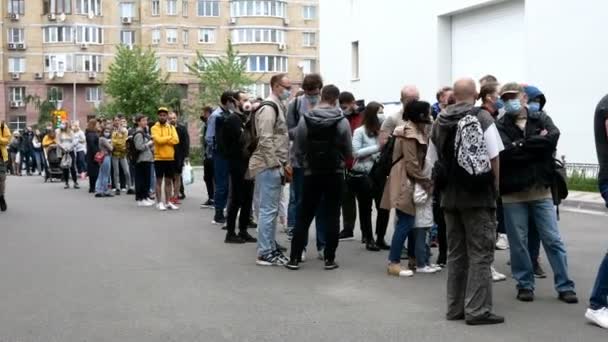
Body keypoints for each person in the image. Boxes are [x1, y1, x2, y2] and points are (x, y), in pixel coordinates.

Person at [430, 78, 504, 325]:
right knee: (481, 253)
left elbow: (433, 161)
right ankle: (477, 310)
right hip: (477, 197)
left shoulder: (439, 121)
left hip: (449, 198)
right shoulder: (482, 118)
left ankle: (454, 308)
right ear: (476, 94)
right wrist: (493, 190)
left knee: (456, 254)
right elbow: (494, 157)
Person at [496, 82, 577, 304]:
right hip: (513, 193)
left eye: (513, 96)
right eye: (505, 98)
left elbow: (552, 139)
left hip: (541, 190)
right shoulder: (499, 124)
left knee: (553, 240)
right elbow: (504, 153)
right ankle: (525, 285)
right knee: (519, 243)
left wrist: (520, 145)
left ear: (523, 97)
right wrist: (533, 145)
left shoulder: (541, 118)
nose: (510, 101)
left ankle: (565, 285)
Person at [286, 84, 352, 270]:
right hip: (334, 173)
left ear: (322, 96)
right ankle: (329, 258)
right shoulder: (342, 120)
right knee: (332, 215)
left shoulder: (306, 119)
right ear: (335, 99)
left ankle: (294, 258)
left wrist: (303, 163)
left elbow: (297, 147)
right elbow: (348, 150)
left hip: (311, 173)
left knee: (304, 215)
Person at [382, 100, 433, 278]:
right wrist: (425, 181)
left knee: (410, 222)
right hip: (406, 179)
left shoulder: (415, 130)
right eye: (427, 112)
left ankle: (412, 258)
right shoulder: (409, 133)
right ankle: (394, 262)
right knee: (405, 221)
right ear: (420, 115)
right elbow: (411, 163)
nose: (430, 115)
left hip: (408, 178)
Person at [248, 74, 291, 266]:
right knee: (268, 210)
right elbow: (265, 140)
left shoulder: (278, 106)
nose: (289, 90)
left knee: (271, 210)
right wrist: (276, 164)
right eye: (286, 86)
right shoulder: (268, 107)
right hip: (268, 165)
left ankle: (269, 247)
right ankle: (264, 252)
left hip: (273, 164)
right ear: (275, 86)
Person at [286, 73, 327, 257]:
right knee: (302, 203)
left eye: (315, 91)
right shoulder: (295, 104)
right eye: (309, 91)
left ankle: (322, 245)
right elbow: (288, 130)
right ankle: (300, 246)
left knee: (322, 205)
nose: (312, 94)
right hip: (301, 160)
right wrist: (305, 130)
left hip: (322, 161)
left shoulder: (327, 103)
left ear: (320, 88)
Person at [478, 81, 509, 282]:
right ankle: (486, 268)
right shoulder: (485, 117)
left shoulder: (488, 116)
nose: (501, 100)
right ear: (489, 96)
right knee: (486, 228)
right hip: (486, 180)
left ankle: (484, 267)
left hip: (479, 180)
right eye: (498, 95)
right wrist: (495, 184)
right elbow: (494, 154)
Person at [350, 102, 390, 251]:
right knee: (365, 207)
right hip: (364, 172)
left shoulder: (384, 132)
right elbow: (355, 152)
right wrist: (378, 148)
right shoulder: (360, 131)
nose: (382, 116)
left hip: (380, 172)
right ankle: (368, 238)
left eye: (383, 112)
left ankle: (380, 237)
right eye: (379, 112)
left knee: (384, 206)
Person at [219, 91, 258, 244]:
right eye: (243, 100)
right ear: (235, 101)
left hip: (248, 162)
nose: (246, 102)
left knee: (248, 198)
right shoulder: (232, 119)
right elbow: (241, 141)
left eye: (248, 99)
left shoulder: (245, 118)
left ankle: (243, 230)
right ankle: (230, 233)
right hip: (237, 163)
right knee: (237, 198)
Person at [337, 91, 362, 241]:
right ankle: (348, 228)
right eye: (342, 107)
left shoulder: (363, 115)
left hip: (362, 162)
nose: (344, 109)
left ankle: (367, 233)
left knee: (364, 200)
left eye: (346, 106)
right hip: (346, 163)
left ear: (353, 102)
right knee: (346, 198)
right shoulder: (342, 117)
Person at [207, 92, 234, 224]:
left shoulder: (229, 114)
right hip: (220, 154)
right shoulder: (216, 115)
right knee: (221, 184)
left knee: (227, 184)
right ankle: (218, 214)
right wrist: (217, 149)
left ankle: (223, 210)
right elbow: (209, 137)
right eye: (232, 101)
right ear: (227, 101)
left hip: (228, 153)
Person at [151, 107, 180, 211]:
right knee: (159, 181)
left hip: (170, 158)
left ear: (167, 116)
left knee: (168, 181)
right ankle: (159, 203)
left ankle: (168, 202)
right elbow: (158, 140)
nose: (162, 116)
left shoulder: (171, 127)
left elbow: (176, 140)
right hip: (159, 158)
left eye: (164, 115)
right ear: (158, 116)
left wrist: (165, 139)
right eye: (160, 115)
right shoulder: (154, 127)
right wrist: (169, 138)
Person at [133, 114, 155, 207]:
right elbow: (139, 147)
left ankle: (145, 197)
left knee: (146, 180)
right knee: (141, 180)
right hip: (142, 160)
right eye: (143, 120)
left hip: (147, 159)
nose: (145, 122)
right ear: (138, 122)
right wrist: (149, 143)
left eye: (146, 120)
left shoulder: (144, 132)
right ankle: (141, 198)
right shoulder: (138, 133)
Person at [168, 112, 190, 204]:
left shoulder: (182, 128)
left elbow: (186, 142)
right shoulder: (166, 129)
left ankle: (177, 195)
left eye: (174, 118)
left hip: (179, 156)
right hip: (168, 155)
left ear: (176, 118)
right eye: (171, 118)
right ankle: (171, 196)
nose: (173, 119)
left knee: (177, 176)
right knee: (170, 177)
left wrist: (186, 156)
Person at [111, 116, 133, 195]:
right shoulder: (112, 130)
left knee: (126, 171)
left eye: (118, 120)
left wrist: (118, 142)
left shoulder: (124, 130)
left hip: (123, 154)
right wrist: (118, 142)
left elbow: (124, 142)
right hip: (115, 154)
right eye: (115, 120)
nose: (116, 122)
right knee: (116, 172)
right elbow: (113, 142)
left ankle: (129, 187)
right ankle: (117, 188)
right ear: (113, 121)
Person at [199, 106, 215, 208]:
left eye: (205, 113)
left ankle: (215, 198)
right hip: (207, 155)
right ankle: (211, 197)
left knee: (214, 178)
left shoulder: (212, 124)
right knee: (207, 177)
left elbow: (210, 140)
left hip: (213, 155)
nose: (203, 115)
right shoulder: (205, 124)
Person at [57, 123, 79, 189]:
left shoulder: (71, 133)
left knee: (72, 167)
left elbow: (74, 141)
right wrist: (63, 148)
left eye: (64, 125)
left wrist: (70, 148)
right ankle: (66, 182)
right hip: (64, 151)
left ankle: (75, 182)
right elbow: (58, 142)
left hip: (71, 151)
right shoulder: (59, 133)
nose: (63, 126)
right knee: (65, 167)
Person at [95, 126, 114, 198]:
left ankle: (99, 190)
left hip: (102, 156)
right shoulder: (103, 139)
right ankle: (104, 190)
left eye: (108, 131)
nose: (107, 133)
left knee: (101, 174)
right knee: (106, 174)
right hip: (106, 156)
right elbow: (111, 148)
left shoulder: (100, 138)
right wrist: (112, 143)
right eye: (106, 131)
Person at [85, 119, 100, 194]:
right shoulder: (91, 134)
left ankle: (92, 187)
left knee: (93, 171)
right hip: (93, 154)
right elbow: (92, 145)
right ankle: (92, 187)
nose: (98, 125)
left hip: (91, 154)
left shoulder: (91, 133)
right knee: (94, 171)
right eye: (97, 124)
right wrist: (96, 153)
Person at [0, 121, 11, 212]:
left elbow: (7, 140)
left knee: (1, 178)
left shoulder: (3, 126)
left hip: (1, 158)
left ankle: (1, 196)